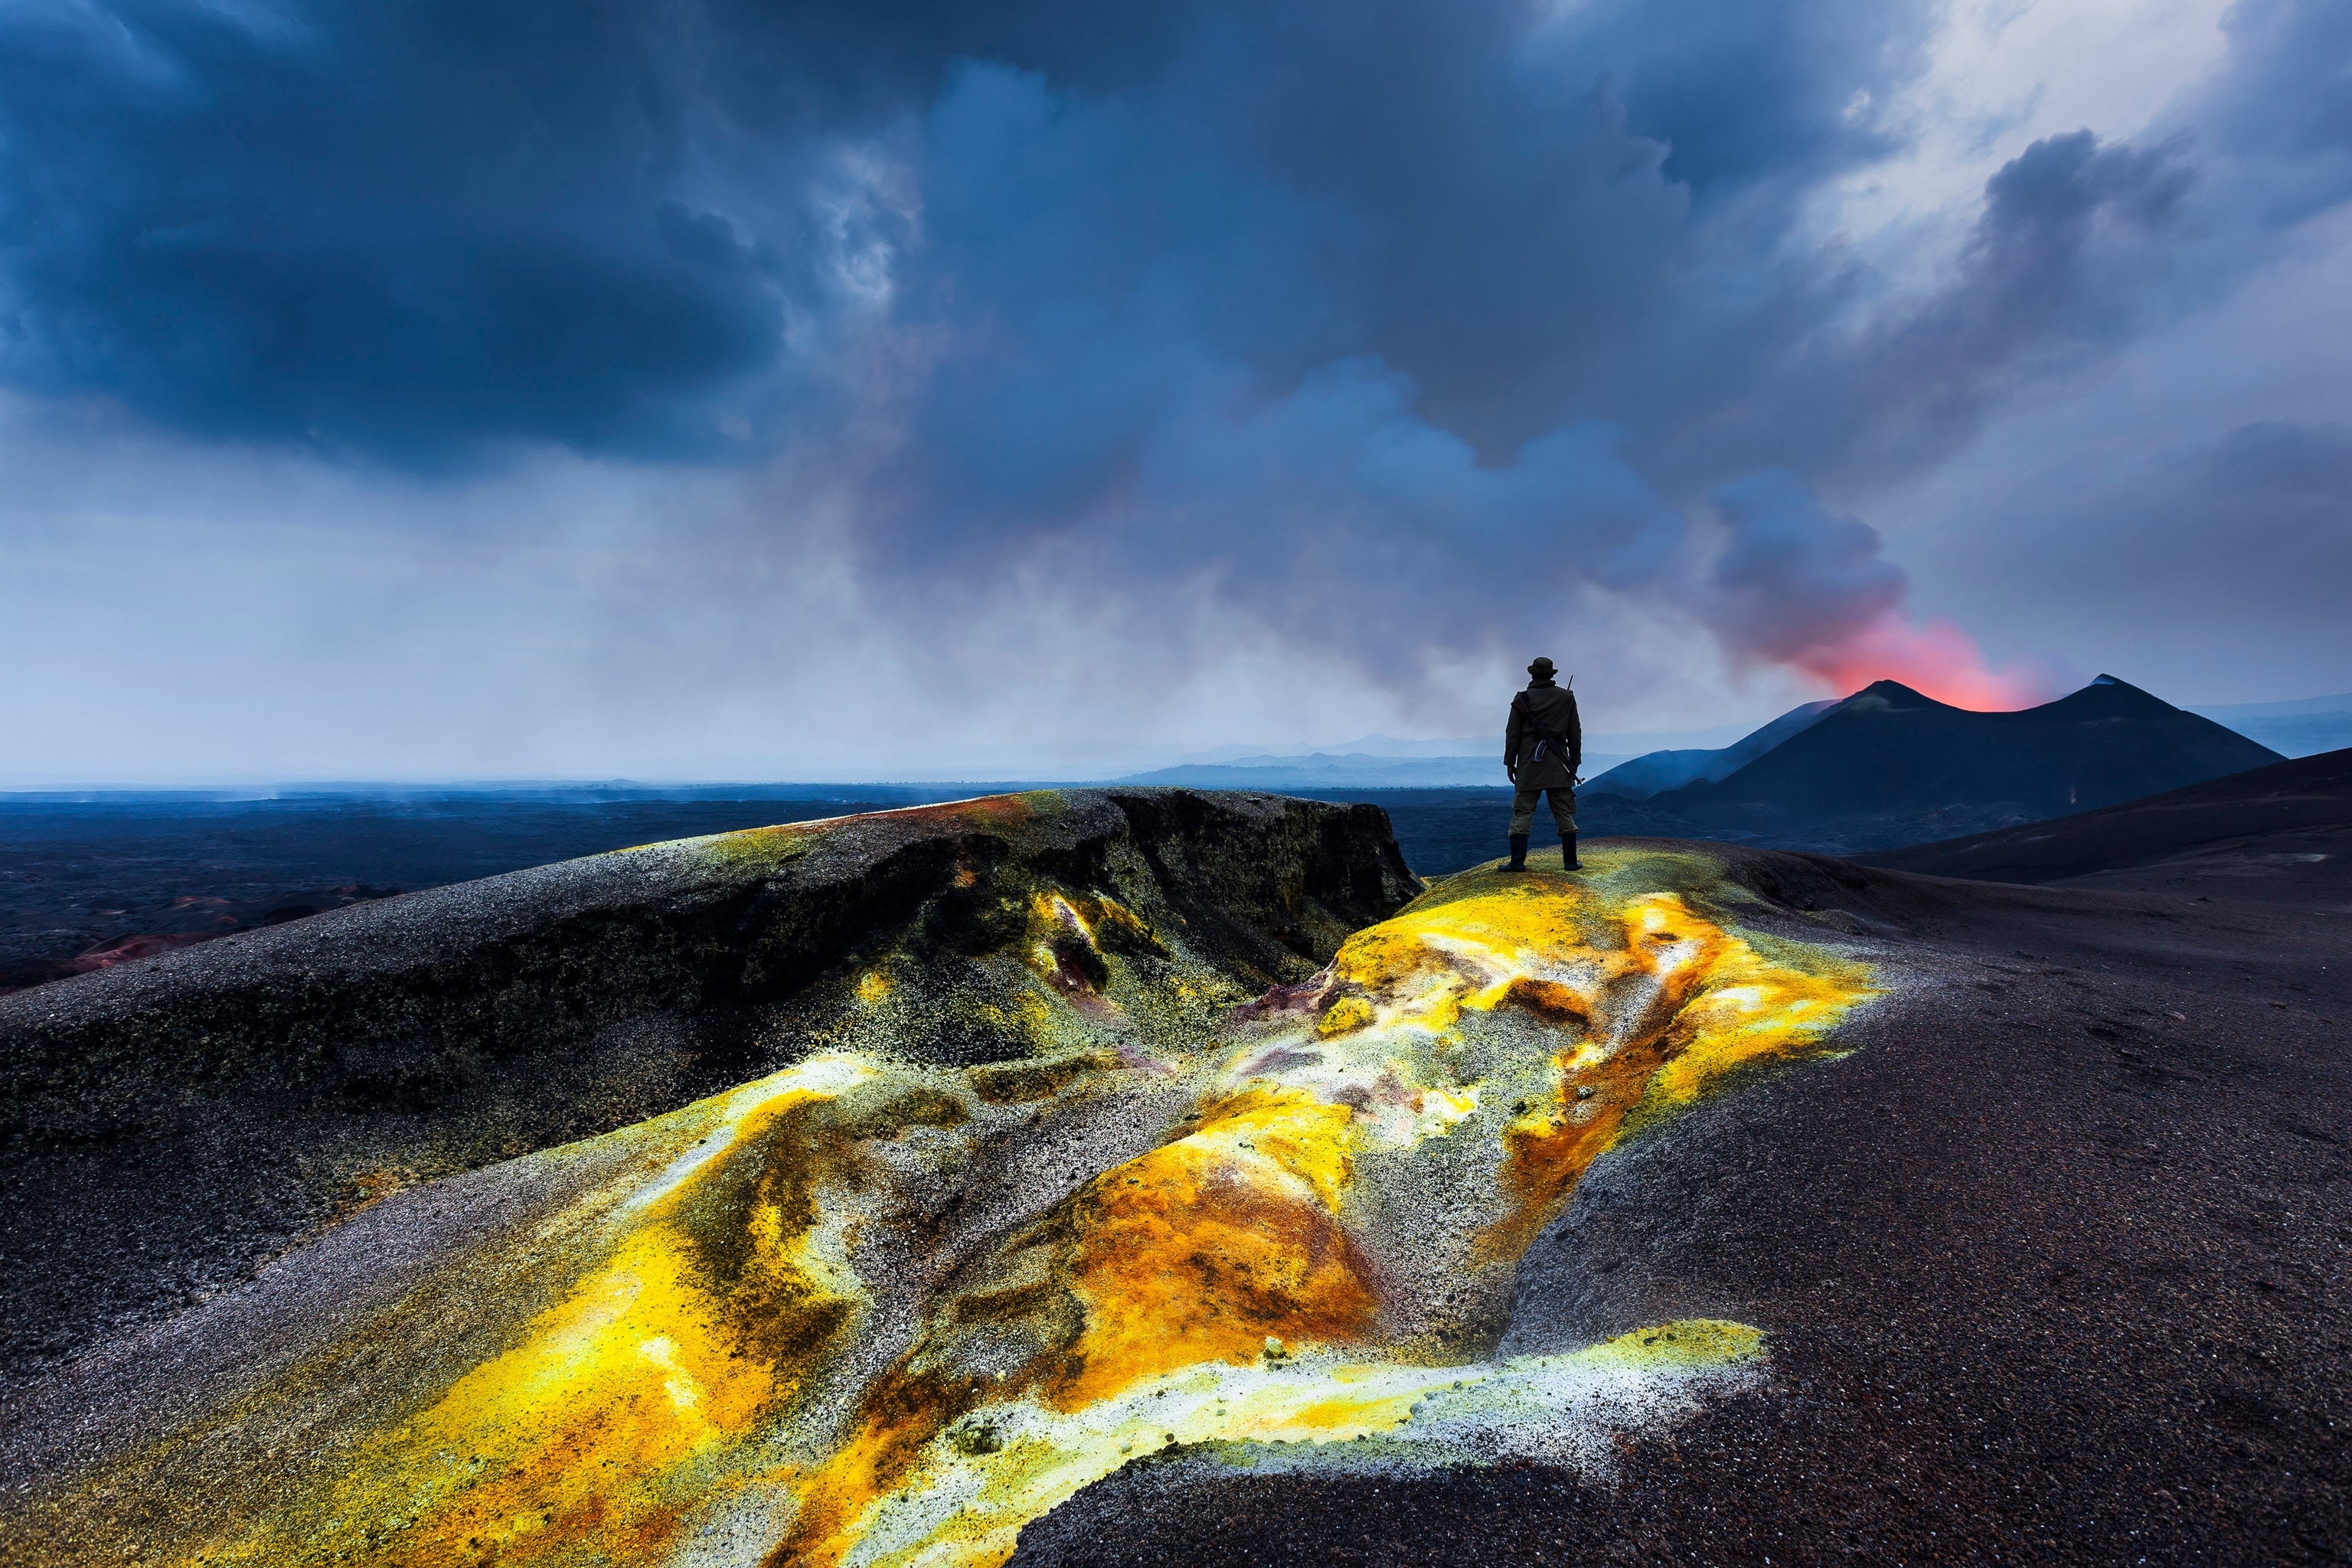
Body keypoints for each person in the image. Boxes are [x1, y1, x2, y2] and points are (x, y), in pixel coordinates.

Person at [1501, 655, 1580, 872]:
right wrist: (1574, 762)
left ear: (1533, 674)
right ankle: (1571, 862)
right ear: (1551, 674)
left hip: (1529, 765)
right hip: (1558, 764)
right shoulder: (1566, 698)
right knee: (1564, 813)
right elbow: (1575, 732)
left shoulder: (1522, 699)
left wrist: (1510, 762)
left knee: (1522, 812)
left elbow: (1513, 734)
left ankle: (1517, 863)